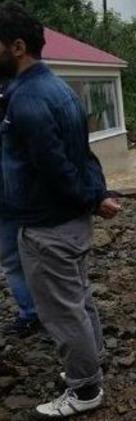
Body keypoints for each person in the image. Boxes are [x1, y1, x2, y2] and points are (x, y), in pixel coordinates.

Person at [0, 2, 122, 418]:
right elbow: (84, 156)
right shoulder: (61, 89)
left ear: (17, 47)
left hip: (47, 226)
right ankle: (92, 360)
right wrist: (97, 195)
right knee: (79, 297)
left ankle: (85, 390)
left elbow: (55, 168)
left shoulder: (27, 101)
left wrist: (91, 197)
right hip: (70, 223)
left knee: (62, 311)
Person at [0, 78, 39, 337]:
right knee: (13, 260)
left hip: (27, 198)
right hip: (7, 200)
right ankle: (31, 313)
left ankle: (47, 313)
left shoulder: (20, 98)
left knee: (41, 257)